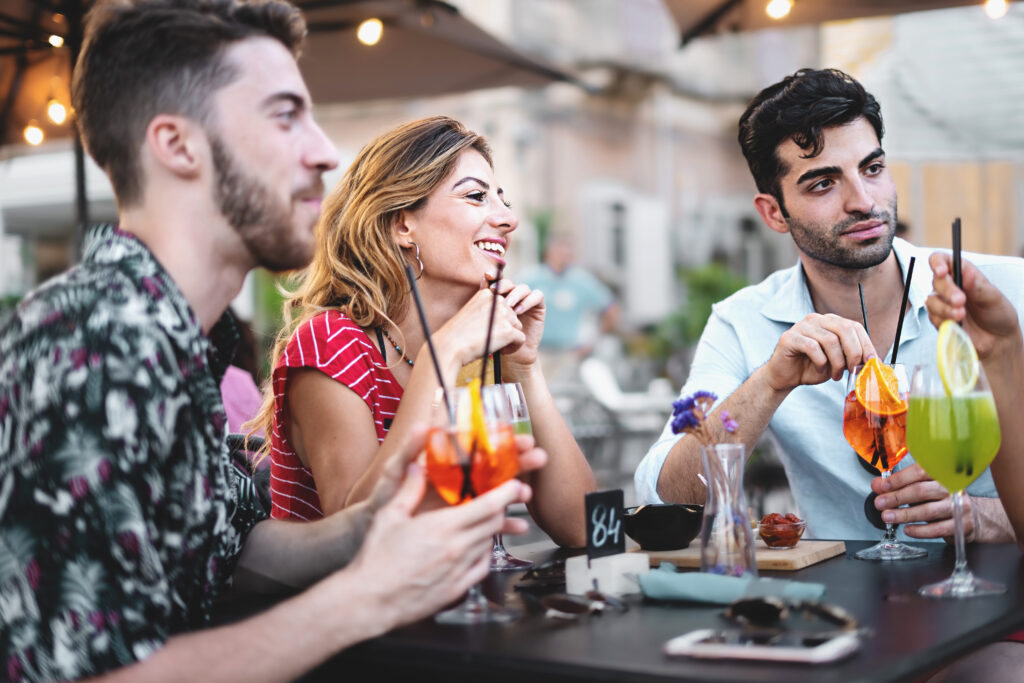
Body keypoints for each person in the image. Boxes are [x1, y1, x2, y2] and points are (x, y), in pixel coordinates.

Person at [0, 2, 544, 680]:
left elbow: (237, 550)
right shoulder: (93, 336)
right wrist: (364, 597)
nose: (323, 150)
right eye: (285, 115)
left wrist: (378, 516)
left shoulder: (175, 336)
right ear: (178, 145)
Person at [635, 68, 1024, 543]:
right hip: (838, 607)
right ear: (774, 213)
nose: (863, 201)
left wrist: (985, 517)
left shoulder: (1005, 291)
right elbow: (665, 498)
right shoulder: (743, 322)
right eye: (823, 184)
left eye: (873, 169)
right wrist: (770, 382)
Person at [252, 116, 595, 547]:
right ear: (402, 225)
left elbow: (586, 529)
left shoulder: (482, 352)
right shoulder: (331, 345)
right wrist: (443, 353)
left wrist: (524, 369)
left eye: (502, 200)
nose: (508, 219)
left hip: (461, 605)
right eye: (476, 197)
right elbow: (354, 535)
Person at [518, 233, 619, 382]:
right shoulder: (531, 277)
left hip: (568, 354)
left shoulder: (581, 280)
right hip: (537, 354)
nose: (566, 256)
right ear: (549, 253)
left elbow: (611, 310)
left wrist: (593, 340)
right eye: (561, 251)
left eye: (569, 252)